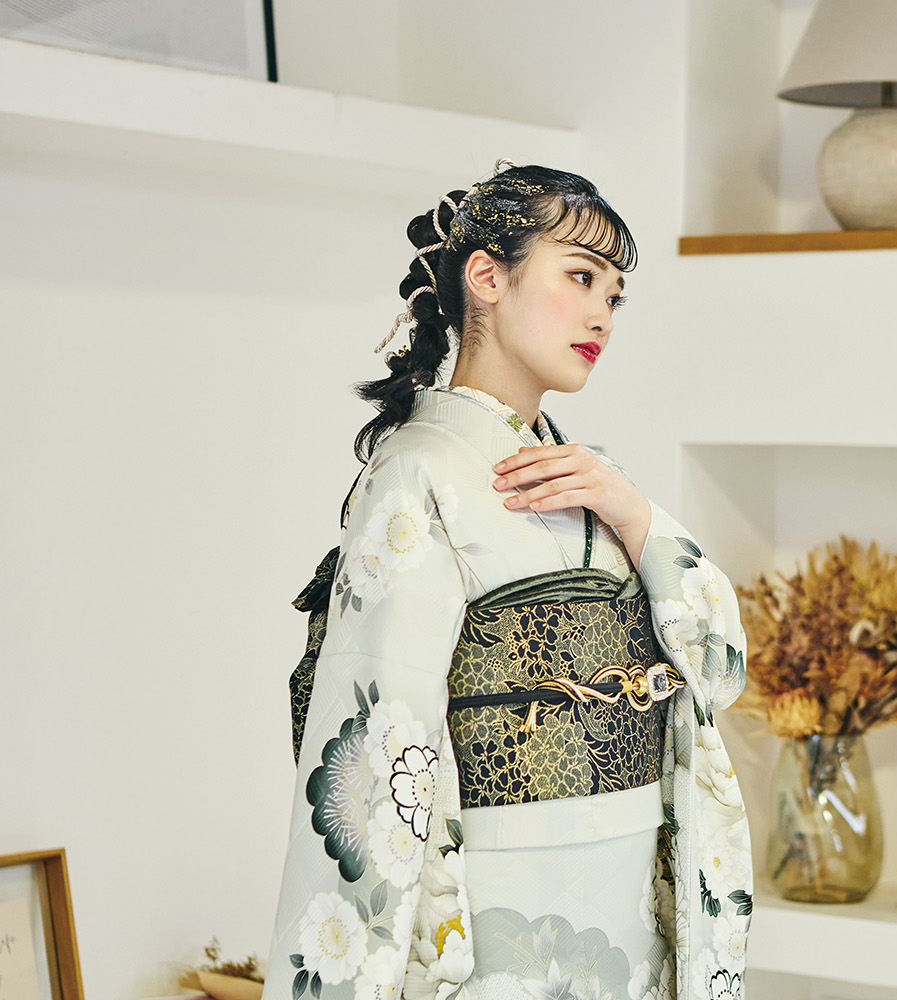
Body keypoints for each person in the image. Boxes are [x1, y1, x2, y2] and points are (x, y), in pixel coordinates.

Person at [263, 162, 752, 1000]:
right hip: (501, 897)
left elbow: (719, 668)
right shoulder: (419, 472)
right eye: (582, 277)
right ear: (487, 277)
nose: (602, 314)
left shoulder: (594, 483)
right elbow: (381, 741)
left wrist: (635, 512)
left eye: (615, 295)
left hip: (629, 882)